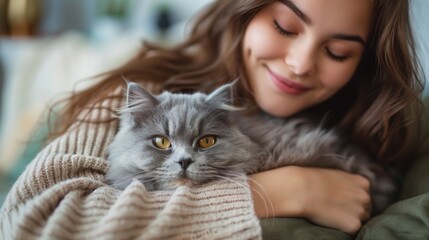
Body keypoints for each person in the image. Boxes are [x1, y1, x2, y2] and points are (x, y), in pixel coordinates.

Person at [1, 0, 427, 239]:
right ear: (244, 10)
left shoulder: (400, 119)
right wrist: (275, 194)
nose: (299, 64)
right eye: (284, 26)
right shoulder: (141, 87)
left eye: (338, 51)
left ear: (365, 60)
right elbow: (34, 222)